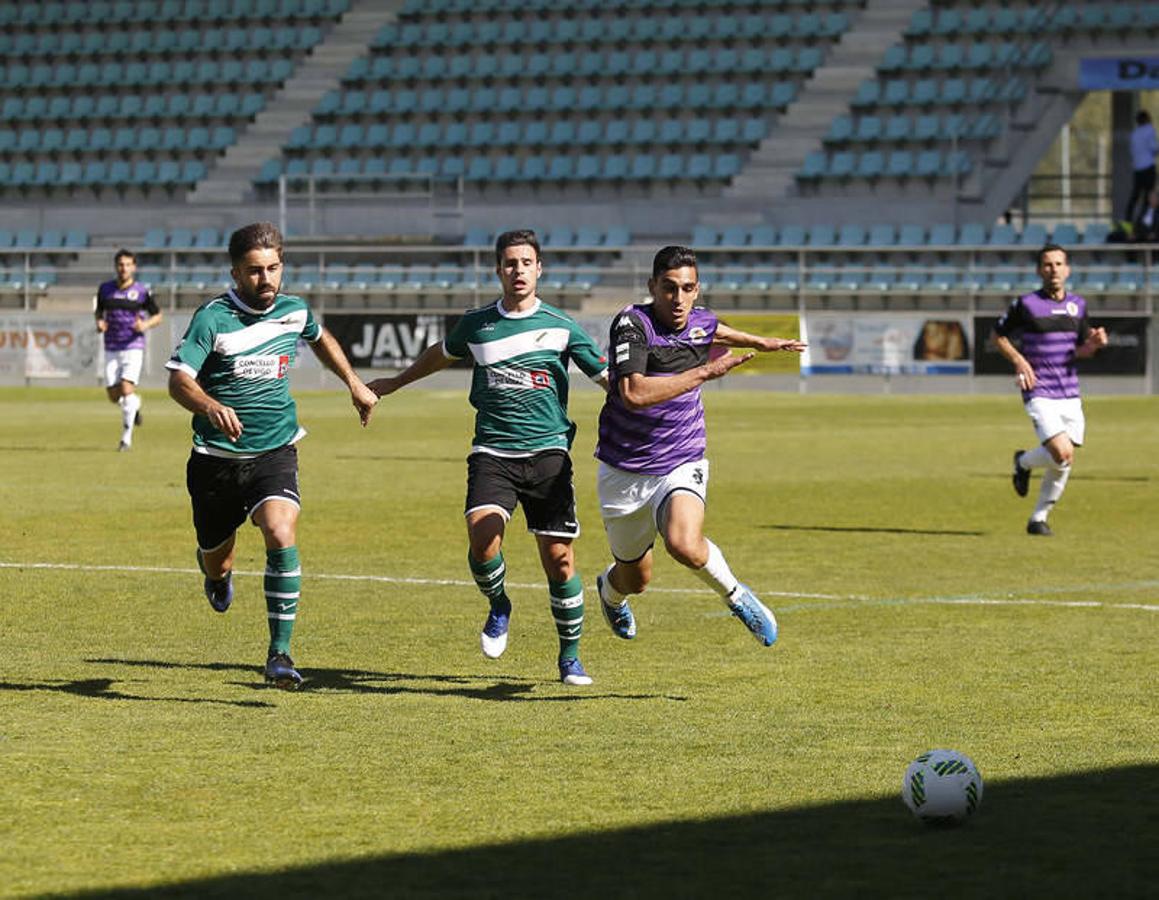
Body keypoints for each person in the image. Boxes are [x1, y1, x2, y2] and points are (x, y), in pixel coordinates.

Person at [366, 229, 608, 686]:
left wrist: (649, 403)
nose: (518, 270)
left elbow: (609, 382)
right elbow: (439, 355)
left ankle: (570, 657)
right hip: (493, 451)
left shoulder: (562, 326)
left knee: (559, 560)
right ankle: (499, 604)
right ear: (498, 270)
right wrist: (392, 384)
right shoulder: (477, 323)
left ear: (540, 269)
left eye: (526, 262)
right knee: (483, 539)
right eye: (510, 263)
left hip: (549, 454)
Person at [166, 222, 378, 689]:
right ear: (236, 272)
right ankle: (216, 575)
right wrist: (210, 405)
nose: (267, 280)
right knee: (216, 560)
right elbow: (178, 380)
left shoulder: (293, 311)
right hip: (216, 460)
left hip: (274, 451)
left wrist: (354, 383)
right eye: (255, 271)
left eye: (274, 269)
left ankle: (279, 654)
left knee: (281, 533)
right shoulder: (212, 318)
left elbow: (320, 337)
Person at [592, 245, 806, 647]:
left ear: (697, 289)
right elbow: (634, 393)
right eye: (669, 288)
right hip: (625, 467)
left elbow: (717, 329)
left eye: (687, 289)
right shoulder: (632, 324)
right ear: (652, 286)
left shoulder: (699, 319)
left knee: (684, 543)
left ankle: (738, 597)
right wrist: (706, 372)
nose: (678, 299)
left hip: (681, 456)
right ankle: (609, 592)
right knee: (635, 579)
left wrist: (764, 343)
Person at [994, 244, 1108, 536]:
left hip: (1069, 391)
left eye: (1059, 264)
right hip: (1039, 389)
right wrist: (1019, 360)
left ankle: (1037, 514)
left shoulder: (1078, 305)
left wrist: (1093, 345)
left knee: (1064, 458)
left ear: (1067, 270)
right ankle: (1026, 469)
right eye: (1047, 265)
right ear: (1038, 270)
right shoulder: (1026, 304)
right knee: (1060, 451)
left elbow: (1080, 350)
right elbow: (998, 335)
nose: (1053, 270)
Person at [94, 249, 163, 451]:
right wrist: (99, 322)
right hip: (111, 346)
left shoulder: (141, 291)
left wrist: (145, 325)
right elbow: (99, 311)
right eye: (120, 264)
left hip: (133, 346)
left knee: (125, 388)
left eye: (127, 264)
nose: (123, 268)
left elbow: (158, 315)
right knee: (114, 396)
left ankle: (126, 439)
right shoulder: (105, 289)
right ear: (116, 266)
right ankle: (135, 404)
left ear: (134, 267)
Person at [1124, 110, 1159, 224]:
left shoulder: (1134, 133)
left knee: (1135, 195)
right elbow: (1154, 148)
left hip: (1137, 169)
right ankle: (1144, 221)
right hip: (1148, 167)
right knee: (1149, 197)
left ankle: (1128, 219)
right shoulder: (1149, 129)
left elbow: (1132, 151)